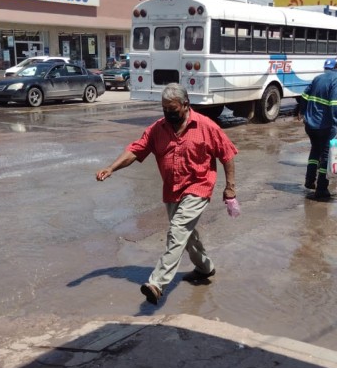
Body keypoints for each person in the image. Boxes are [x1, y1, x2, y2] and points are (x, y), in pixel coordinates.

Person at [95, 83, 238, 305]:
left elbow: (227, 154)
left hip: (198, 187)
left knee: (178, 230)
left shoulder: (206, 126)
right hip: (172, 190)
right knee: (187, 235)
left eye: (173, 110)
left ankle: (158, 283)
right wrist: (111, 168)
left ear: (185, 105)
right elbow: (136, 150)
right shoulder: (157, 129)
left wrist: (230, 187)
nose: (168, 114)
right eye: (164, 109)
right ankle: (205, 268)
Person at [296, 58, 337, 202]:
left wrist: (302, 112)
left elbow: (304, 96)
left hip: (310, 125)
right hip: (325, 125)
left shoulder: (319, 77)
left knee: (315, 150)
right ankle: (321, 190)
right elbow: (335, 103)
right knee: (326, 156)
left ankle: (310, 181)